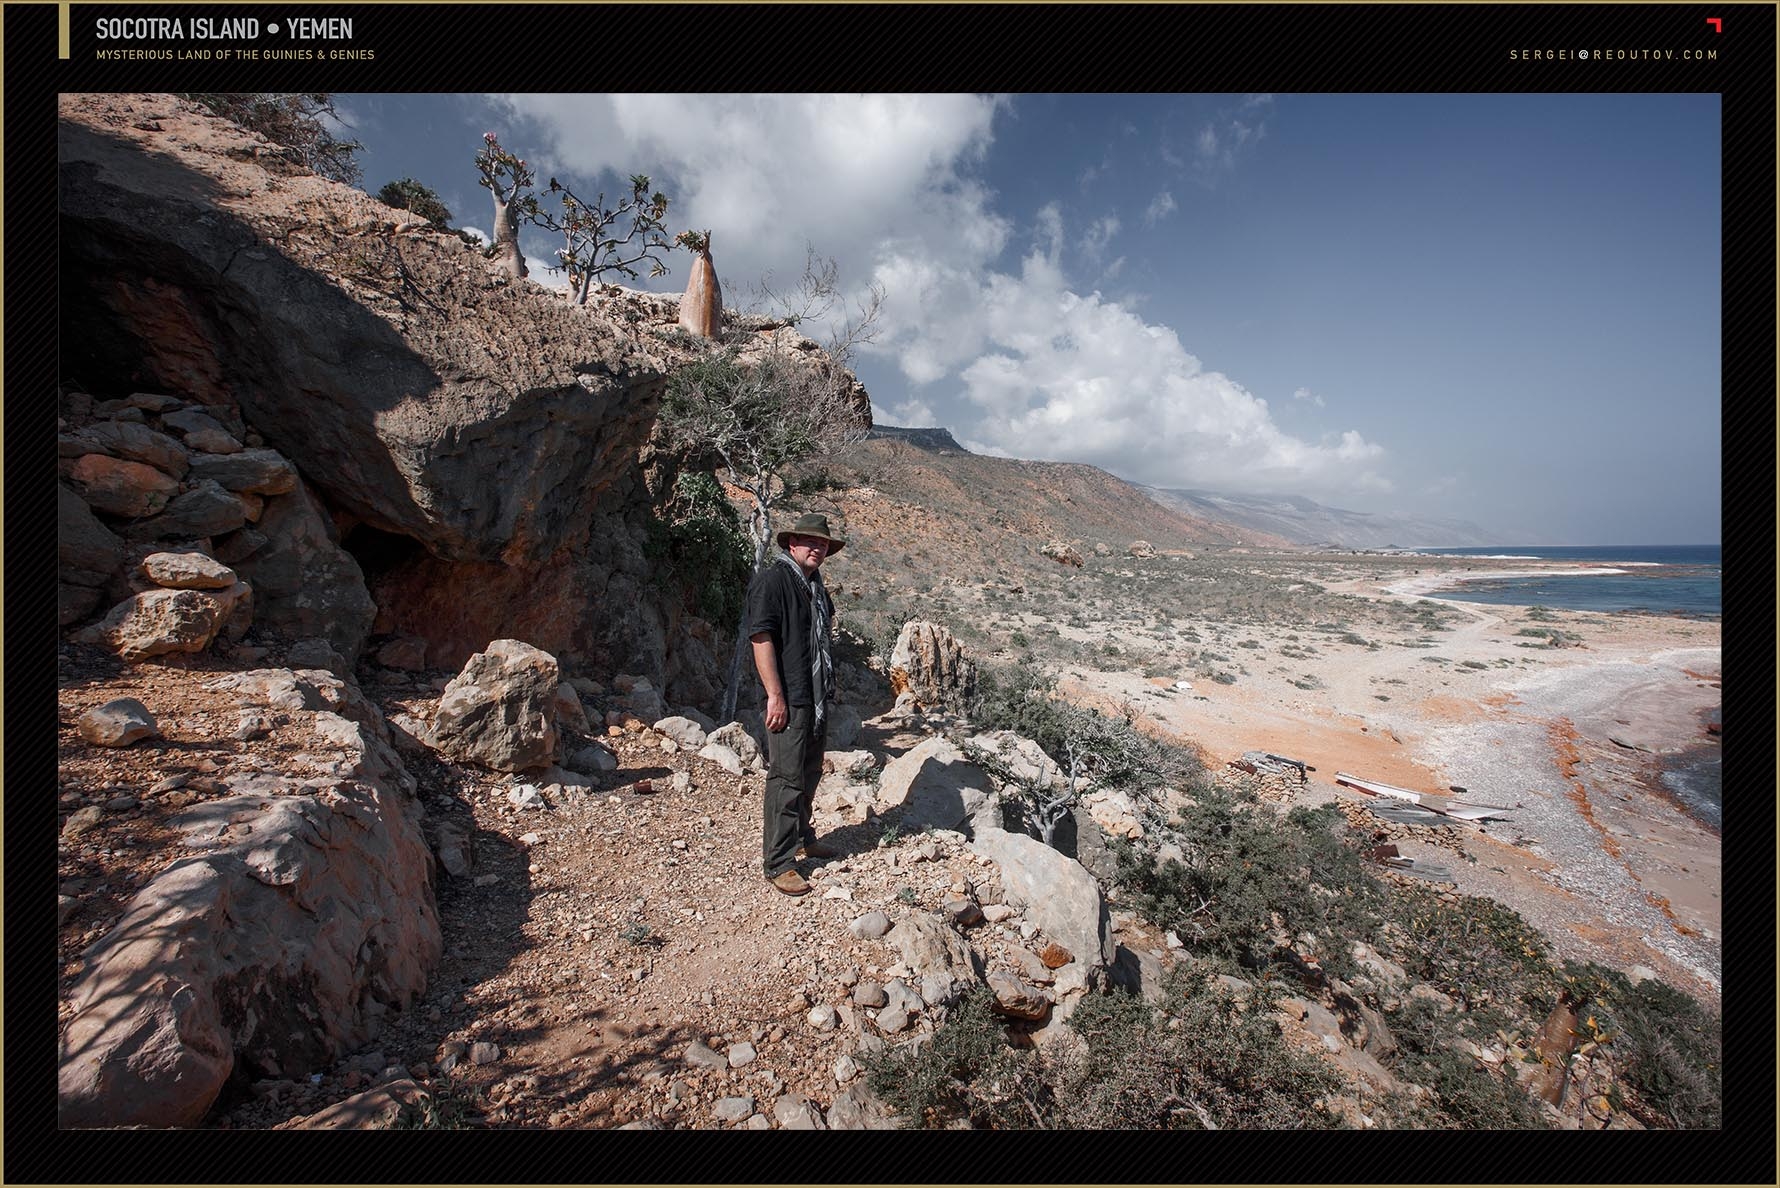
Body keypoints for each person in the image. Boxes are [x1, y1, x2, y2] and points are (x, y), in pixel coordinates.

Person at [745, 512, 846, 897]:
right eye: (810, 542)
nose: (817, 548)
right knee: (786, 777)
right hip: (788, 697)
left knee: (809, 770)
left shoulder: (815, 586)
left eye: (822, 544)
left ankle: (804, 836)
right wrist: (775, 695)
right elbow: (761, 638)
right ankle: (779, 862)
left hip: (815, 696)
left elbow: (822, 637)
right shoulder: (774, 582)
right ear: (792, 544)